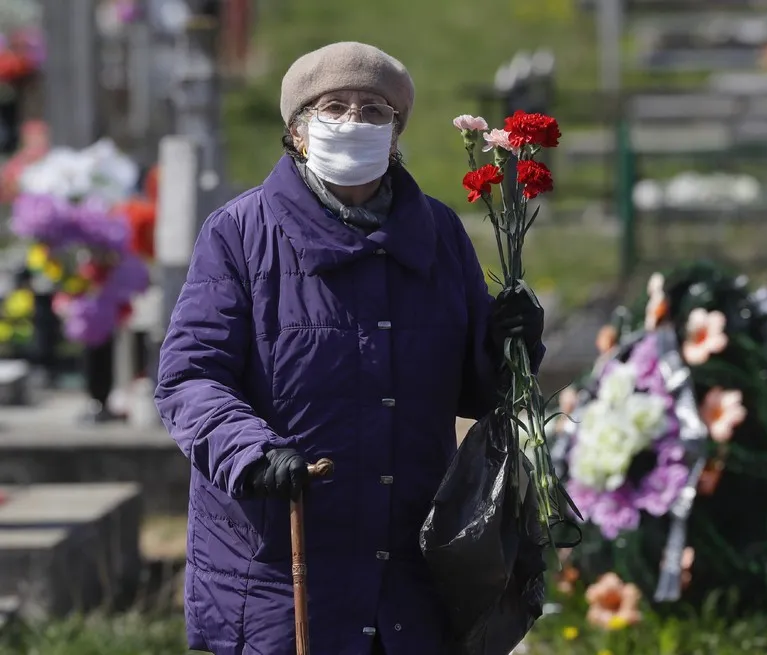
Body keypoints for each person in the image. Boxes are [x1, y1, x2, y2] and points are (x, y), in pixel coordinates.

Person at [155, 41, 545, 655]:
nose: (353, 122)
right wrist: (251, 452)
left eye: (373, 111)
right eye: (333, 107)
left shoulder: (438, 234)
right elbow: (190, 378)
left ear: (396, 134)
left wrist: (512, 345)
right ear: (297, 132)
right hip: (281, 566)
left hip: (407, 564)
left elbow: (475, 391)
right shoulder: (239, 234)